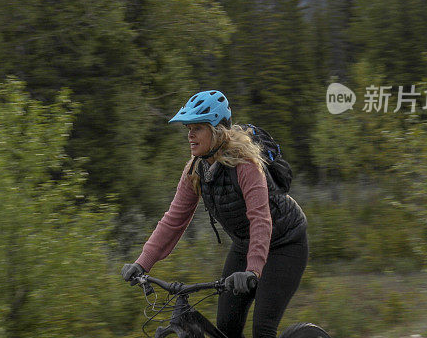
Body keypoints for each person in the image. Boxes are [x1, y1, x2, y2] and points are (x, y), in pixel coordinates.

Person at [121, 90, 308, 338]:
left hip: (285, 244)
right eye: (188, 128)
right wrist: (142, 263)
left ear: (217, 130)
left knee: (263, 330)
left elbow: (260, 220)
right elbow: (173, 220)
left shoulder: (246, 164)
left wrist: (252, 271)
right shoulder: (196, 169)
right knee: (227, 328)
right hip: (245, 246)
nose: (190, 135)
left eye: (197, 128)